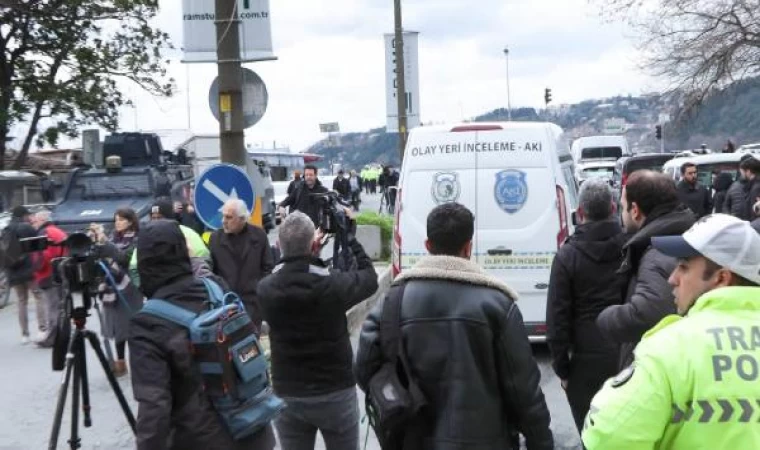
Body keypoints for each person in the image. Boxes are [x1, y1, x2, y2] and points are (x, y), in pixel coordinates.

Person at [355, 203, 553, 450]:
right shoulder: (498, 304)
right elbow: (524, 391)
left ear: (428, 246)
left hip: (413, 440)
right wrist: (540, 442)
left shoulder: (392, 301)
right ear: (468, 247)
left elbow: (364, 369)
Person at [583, 214, 760, 449]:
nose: (672, 278)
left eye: (684, 267)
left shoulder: (669, 349)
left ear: (722, 278)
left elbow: (604, 438)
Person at [129, 220, 275, 450]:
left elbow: (154, 408)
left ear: (144, 263)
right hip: (254, 429)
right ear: (183, 252)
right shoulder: (215, 287)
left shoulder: (147, 324)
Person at [257, 211, 378, 450]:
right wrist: (350, 238)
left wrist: (310, 256)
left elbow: (288, 272)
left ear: (279, 245)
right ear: (314, 244)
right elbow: (369, 278)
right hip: (335, 390)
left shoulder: (265, 289)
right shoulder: (332, 285)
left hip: (288, 391)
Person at [546, 180, 626, 432]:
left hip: (585, 360)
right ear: (613, 207)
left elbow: (557, 318)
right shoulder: (631, 246)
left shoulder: (567, 256)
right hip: (629, 353)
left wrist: (563, 369)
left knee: (591, 433)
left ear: (580, 213)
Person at [597, 171, 696, 370]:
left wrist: (607, 318)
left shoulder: (656, 252)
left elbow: (648, 312)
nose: (622, 214)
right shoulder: (684, 233)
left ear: (635, 210)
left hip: (662, 365)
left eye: (624, 207)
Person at [91, 209, 144, 377]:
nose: (118, 223)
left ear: (130, 221)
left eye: (121, 219)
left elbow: (124, 258)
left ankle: (139, 362)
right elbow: (100, 258)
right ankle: (120, 363)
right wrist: (96, 242)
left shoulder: (137, 238)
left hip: (130, 288)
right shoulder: (114, 237)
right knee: (117, 328)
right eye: (116, 220)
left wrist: (106, 243)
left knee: (132, 328)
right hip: (111, 287)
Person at [209, 199, 273, 332]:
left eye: (229, 217)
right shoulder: (215, 238)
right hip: (225, 306)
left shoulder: (259, 235)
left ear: (242, 218)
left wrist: (257, 292)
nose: (223, 221)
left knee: (250, 348)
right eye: (223, 216)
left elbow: (267, 267)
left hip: (253, 305)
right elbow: (212, 273)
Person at [5, 206, 45, 344]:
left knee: (21, 301)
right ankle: (42, 329)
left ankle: (24, 334)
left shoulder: (6, 230)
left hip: (13, 271)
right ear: (23, 215)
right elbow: (40, 244)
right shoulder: (26, 227)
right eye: (27, 215)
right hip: (29, 270)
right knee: (38, 296)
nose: (29, 217)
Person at [31, 209, 68, 348]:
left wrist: (35, 267)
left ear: (41, 220)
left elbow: (44, 256)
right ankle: (60, 335)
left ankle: (53, 338)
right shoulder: (56, 231)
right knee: (59, 306)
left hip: (49, 274)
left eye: (34, 221)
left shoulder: (44, 233)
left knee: (52, 308)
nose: (33, 224)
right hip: (60, 273)